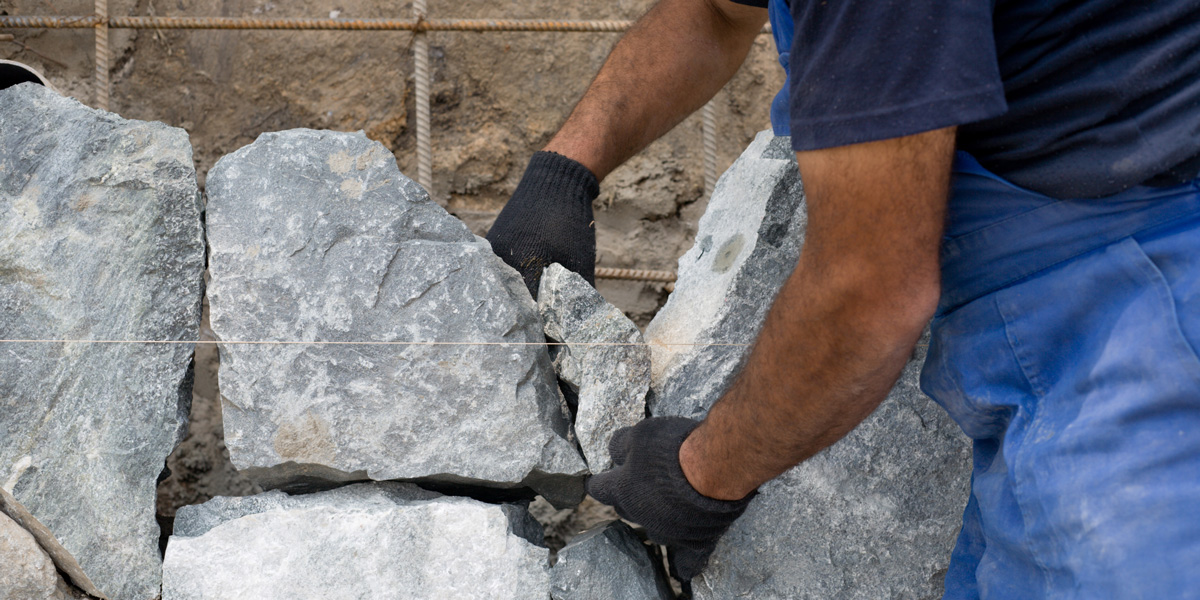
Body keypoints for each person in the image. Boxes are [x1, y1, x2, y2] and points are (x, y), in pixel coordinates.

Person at [485, 0, 1200, 596]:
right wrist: (566, 170)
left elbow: (868, 292)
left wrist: (699, 476)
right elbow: (717, 11)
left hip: (1146, 332)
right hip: (1043, 326)